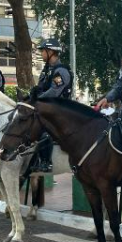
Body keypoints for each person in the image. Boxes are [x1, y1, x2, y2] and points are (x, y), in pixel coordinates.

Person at [32, 37, 73, 172]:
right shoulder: (47, 70)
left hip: (60, 110)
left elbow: (55, 91)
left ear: (51, 52)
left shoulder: (61, 70)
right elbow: (42, 88)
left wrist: (38, 99)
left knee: (45, 131)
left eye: (43, 51)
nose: (41, 54)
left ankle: (46, 162)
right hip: (48, 108)